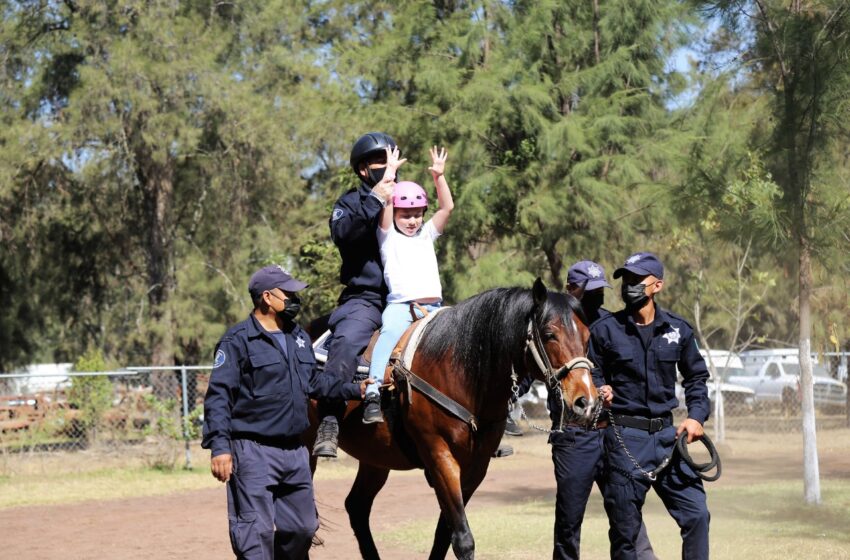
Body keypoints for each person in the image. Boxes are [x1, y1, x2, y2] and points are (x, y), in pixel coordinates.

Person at [202, 265, 372, 560]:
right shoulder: (237, 341)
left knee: (304, 528)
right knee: (255, 534)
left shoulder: (298, 337)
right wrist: (220, 447)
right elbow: (218, 397)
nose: (295, 298)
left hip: (295, 452)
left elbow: (314, 382)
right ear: (267, 297)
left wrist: (354, 390)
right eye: (288, 293)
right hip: (253, 452)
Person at [587, 252, 711, 560]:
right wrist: (599, 387)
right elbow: (591, 372)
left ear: (657, 285)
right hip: (624, 439)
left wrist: (696, 417)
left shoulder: (678, 330)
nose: (628, 286)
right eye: (625, 280)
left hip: (669, 440)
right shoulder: (605, 330)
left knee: (697, 516)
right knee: (625, 532)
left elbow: (696, 378)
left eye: (636, 280)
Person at [548, 260, 657, 560]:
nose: (595, 299)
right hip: (574, 438)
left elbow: (632, 375)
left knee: (627, 516)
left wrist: (613, 389)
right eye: (588, 293)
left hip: (614, 433)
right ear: (570, 291)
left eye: (600, 292)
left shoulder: (613, 324)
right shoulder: (556, 329)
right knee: (569, 524)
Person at [313, 132, 403, 457]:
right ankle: (329, 420)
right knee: (346, 343)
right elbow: (345, 235)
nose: (389, 167)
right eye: (382, 161)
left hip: (408, 298)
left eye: (392, 160)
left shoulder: (406, 198)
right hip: (365, 301)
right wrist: (377, 199)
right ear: (364, 169)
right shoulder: (348, 204)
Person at [362, 146, 454, 423]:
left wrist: (439, 177)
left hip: (435, 309)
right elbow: (387, 201)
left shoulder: (427, 235)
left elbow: (447, 207)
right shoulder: (388, 235)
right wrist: (390, 172)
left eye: (417, 214)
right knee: (388, 333)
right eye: (405, 214)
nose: (412, 220)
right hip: (402, 307)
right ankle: (373, 392)